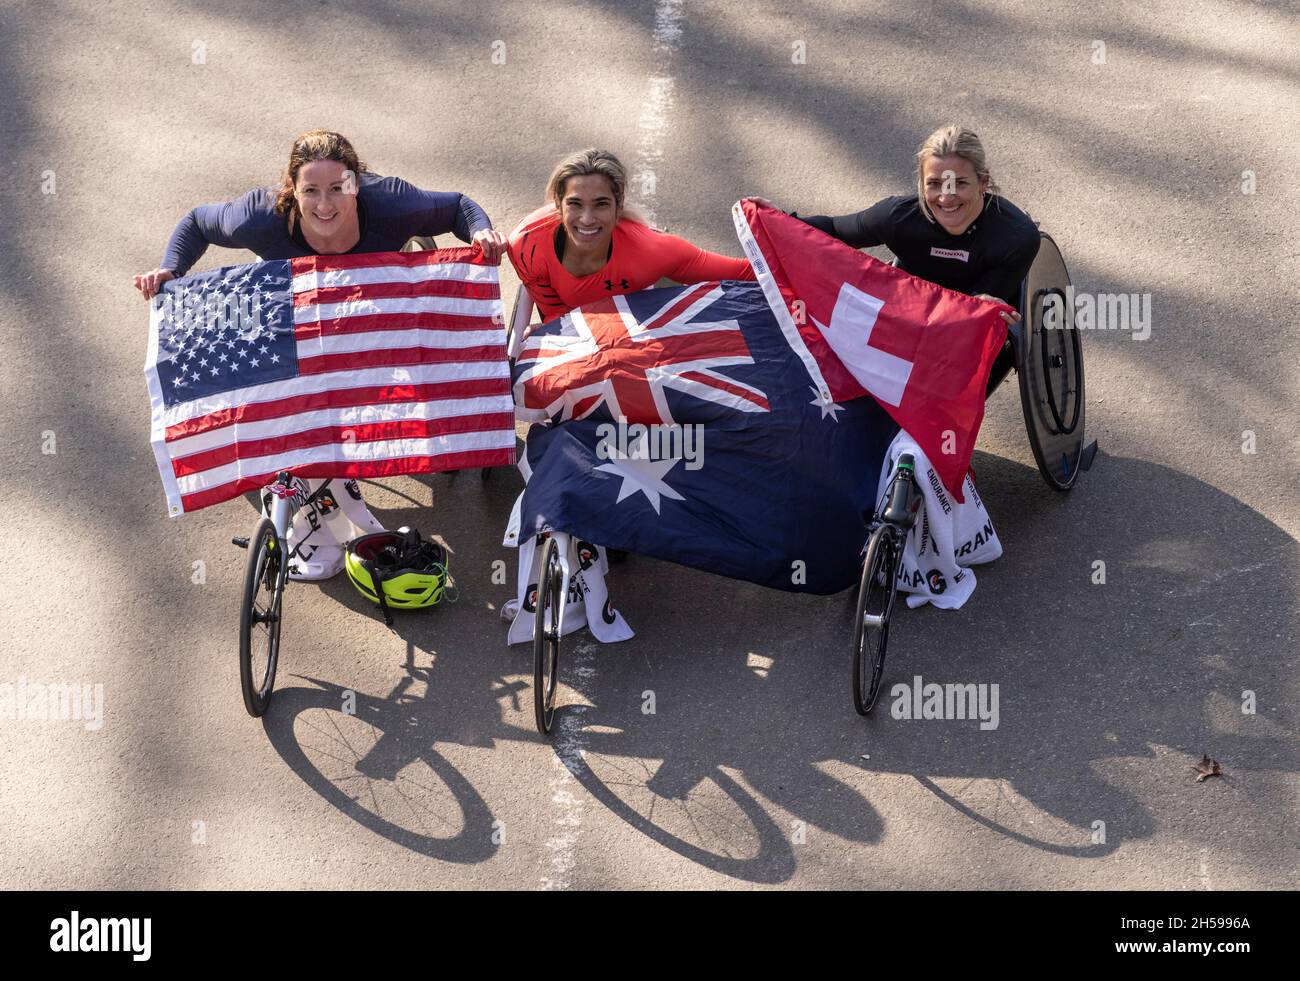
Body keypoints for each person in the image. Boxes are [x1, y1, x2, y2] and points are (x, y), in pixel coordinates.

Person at [133, 129, 506, 299]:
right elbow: (198, 222)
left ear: (356, 185)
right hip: (297, 295)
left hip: (378, 292)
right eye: (310, 191)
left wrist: (480, 232)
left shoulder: (392, 205)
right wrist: (172, 269)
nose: (324, 206)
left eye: (338, 189)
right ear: (291, 190)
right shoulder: (258, 218)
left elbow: (458, 205)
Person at [750, 125, 1039, 327]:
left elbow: (979, 310)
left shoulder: (1016, 236)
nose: (946, 197)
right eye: (934, 184)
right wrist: (780, 220)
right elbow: (836, 231)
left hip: (974, 313)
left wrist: (983, 304)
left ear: (983, 182)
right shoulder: (898, 217)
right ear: (920, 183)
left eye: (959, 183)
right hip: (912, 306)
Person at [507, 148, 754, 322]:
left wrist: (775, 223)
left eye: (601, 204)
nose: (587, 219)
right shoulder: (526, 244)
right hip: (590, 329)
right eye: (575, 204)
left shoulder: (652, 251)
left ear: (619, 206)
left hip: (649, 301)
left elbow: (748, 273)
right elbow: (555, 316)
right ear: (558, 204)